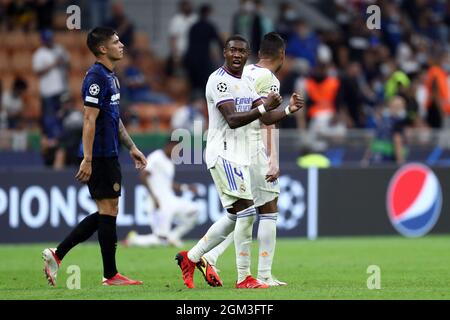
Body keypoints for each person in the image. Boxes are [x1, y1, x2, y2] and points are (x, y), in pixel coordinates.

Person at [175, 34, 298, 290]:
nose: (237, 55)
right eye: (233, 51)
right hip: (224, 152)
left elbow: (264, 119)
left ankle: (193, 257)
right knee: (248, 212)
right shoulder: (219, 81)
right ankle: (245, 278)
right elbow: (232, 118)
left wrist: (287, 109)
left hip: (240, 155)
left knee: (235, 216)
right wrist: (264, 108)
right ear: (224, 52)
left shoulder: (246, 82)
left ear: (248, 53)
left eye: (242, 51)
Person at [42, 27, 148, 286]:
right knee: (108, 210)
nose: (121, 44)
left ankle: (60, 255)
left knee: (108, 210)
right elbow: (89, 119)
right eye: (116, 41)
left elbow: (114, 118)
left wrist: (131, 147)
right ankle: (107, 274)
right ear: (102, 48)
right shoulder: (95, 78)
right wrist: (87, 158)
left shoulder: (112, 77)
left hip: (109, 152)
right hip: (99, 155)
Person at [124, 140, 200, 248]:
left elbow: (168, 184)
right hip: (158, 204)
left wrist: (186, 187)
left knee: (195, 211)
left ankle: (173, 237)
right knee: (161, 240)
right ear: (169, 146)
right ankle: (134, 239)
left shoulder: (170, 162)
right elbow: (143, 175)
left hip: (171, 200)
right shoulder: (156, 157)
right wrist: (154, 197)